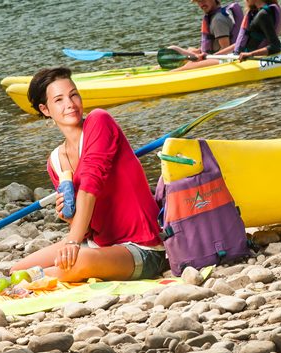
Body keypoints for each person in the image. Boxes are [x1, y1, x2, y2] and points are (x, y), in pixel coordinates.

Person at [11, 67, 166, 282]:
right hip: (99, 245)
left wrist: (72, 242)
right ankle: (29, 278)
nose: (70, 104)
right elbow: (86, 229)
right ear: (45, 109)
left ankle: (34, 280)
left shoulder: (99, 121)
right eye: (59, 100)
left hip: (142, 247)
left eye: (73, 94)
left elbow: (90, 186)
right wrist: (69, 217)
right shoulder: (56, 161)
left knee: (77, 263)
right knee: (17, 268)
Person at [172, 0, 242, 71]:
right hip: (210, 55)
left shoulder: (218, 20)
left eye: (204, 0)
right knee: (173, 49)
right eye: (199, 2)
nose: (202, 4)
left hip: (222, 60)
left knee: (189, 64)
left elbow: (225, 48)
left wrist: (207, 57)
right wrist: (198, 51)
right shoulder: (214, 15)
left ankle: (171, 73)